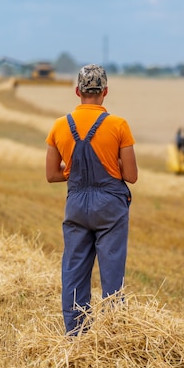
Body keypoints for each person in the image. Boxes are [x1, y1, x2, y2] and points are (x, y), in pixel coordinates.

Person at [45, 64, 138, 335]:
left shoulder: (60, 126)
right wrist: (110, 169)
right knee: (112, 275)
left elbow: (52, 174)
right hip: (110, 206)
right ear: (105, 92)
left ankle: (77, 337)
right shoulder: (118, 125)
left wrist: (76, 174)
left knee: (74, 271)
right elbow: (131, 175)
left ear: (77, 91)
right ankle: (112, 335)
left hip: (76, 205)